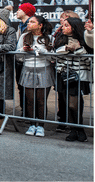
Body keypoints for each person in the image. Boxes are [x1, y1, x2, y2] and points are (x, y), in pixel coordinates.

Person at [53, 14, 92, 142]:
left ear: (74, 27)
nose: (63, 28)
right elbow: (54, 56)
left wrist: (79, 49)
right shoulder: (60, 38)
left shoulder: (84, 40)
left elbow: (89, 60)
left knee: (74, 104)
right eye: (63, 25)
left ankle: (79, 129)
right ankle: (73, 130)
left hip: (77, 76)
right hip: (63, 74)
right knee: (66, 103)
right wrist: (65, 48)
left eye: (66, 25)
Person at [16, 15, 55, 137]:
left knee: (41, 100)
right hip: (28, 70)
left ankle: (41, 126)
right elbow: (18, 57)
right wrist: (23, 50)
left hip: (44, 70)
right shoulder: (24, 37)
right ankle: (32, 124)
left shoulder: (49, 38)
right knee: (30, 100)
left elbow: (53, 58)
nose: (29, 23)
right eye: (29, 22)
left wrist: (43, 51)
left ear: (40, 25)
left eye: (32, 22)